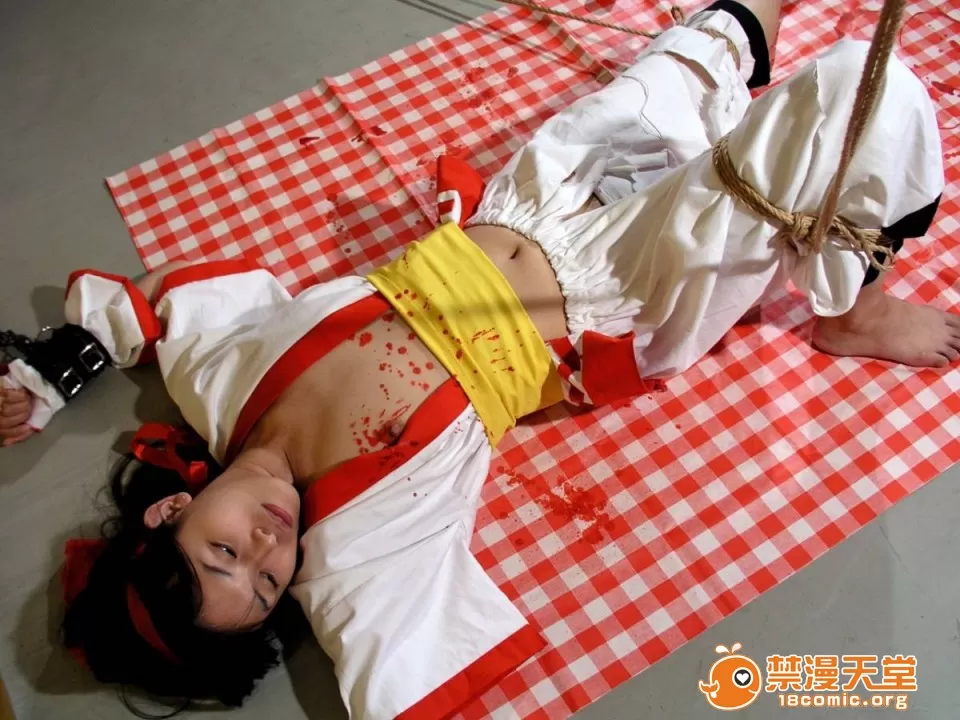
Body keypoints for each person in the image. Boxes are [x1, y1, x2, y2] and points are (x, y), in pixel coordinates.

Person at [0, 0, 954, 716]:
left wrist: (52, 373)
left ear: (170, 508)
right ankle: (852, 310)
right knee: (855, 100)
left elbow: (162, 303)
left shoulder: (219, 380)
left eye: (222, 552)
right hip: (622, 294)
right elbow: (397, 674)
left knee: (698, 54)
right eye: (266, 586)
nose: (266, 549)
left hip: (530, 197)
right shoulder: (363, 543)